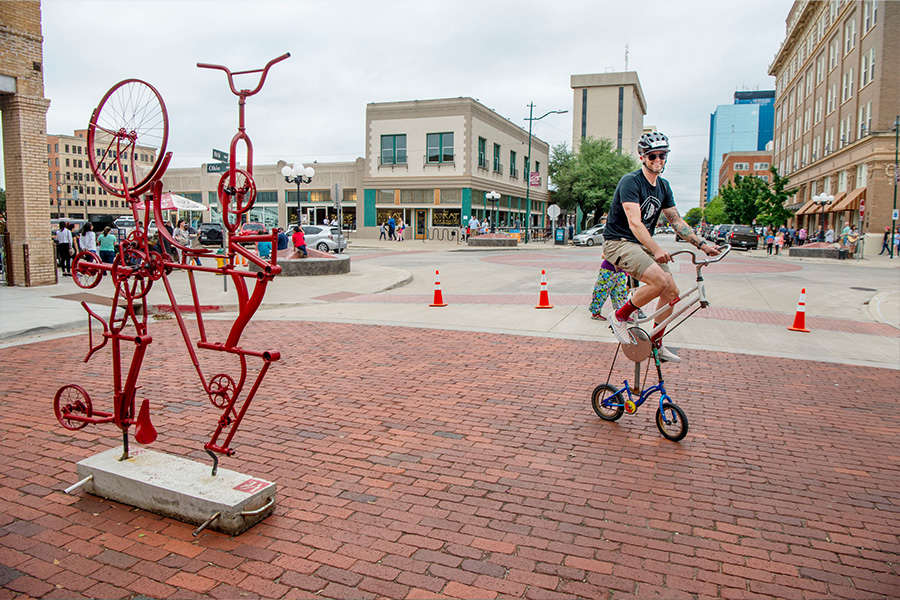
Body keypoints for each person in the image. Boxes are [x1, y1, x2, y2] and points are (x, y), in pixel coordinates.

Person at [603, 132, 720, 363]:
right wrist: (656, 249)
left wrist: (702, 244)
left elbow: (676, 221)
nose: (658, 160)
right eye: (652, 156)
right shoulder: (631, 181)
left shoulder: (664, 186)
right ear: (642, 157)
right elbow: (635, 222)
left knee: (671, 292)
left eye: (662, 155)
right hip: (619, 243)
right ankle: (619, 316)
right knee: (660, 281)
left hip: (641, 245)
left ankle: (656, 343)